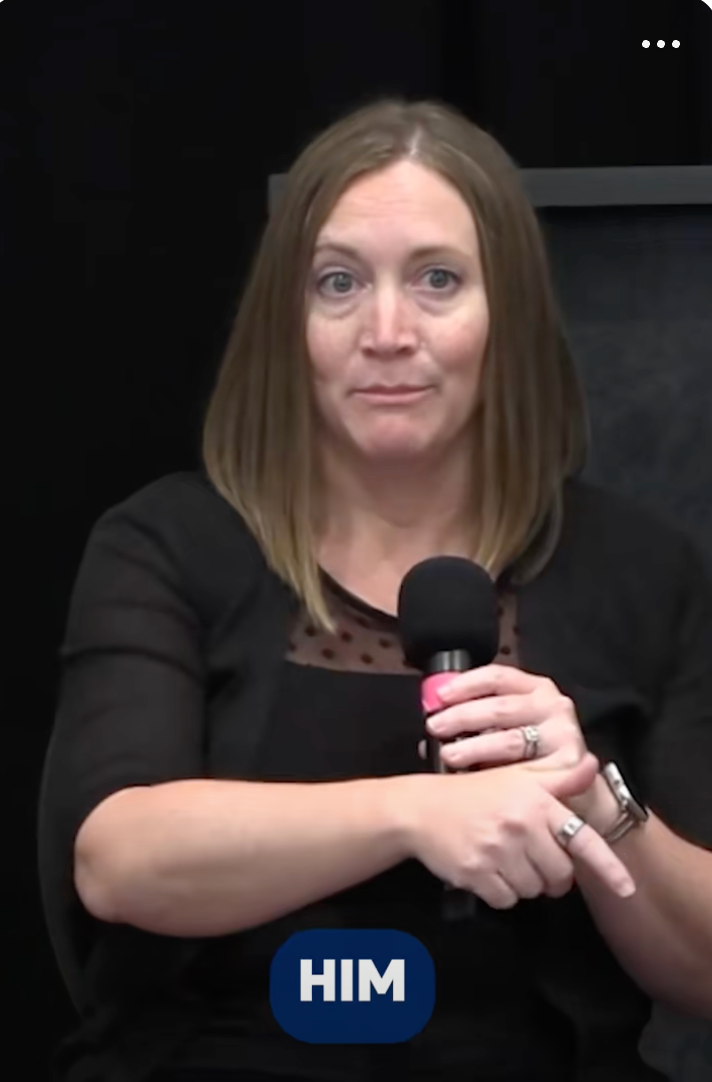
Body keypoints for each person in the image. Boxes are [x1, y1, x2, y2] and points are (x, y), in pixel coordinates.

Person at [38, 96, 712, 1082]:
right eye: (338, 282)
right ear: (288, 319)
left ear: (508, 313)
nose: (386, 330)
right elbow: (118, 859)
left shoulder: (643, 570)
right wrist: (412, 813)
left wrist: (597, 803)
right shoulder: (167, 543)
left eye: (437, 279)